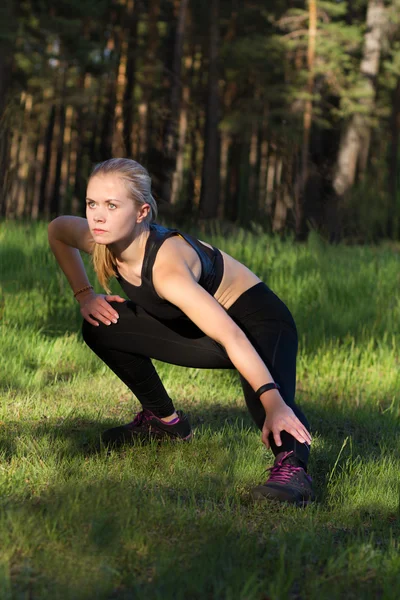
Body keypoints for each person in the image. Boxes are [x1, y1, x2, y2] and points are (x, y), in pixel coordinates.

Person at [48, 158, 314, 506]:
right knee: (101, 325)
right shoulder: (102, 238)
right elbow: (57, 230)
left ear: (142, 212)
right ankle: (165, 423)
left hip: (257, 325)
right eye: (92, 203)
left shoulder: (167, 269)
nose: (98, 215)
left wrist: (273, 400)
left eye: (112, 205)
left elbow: (233, 336)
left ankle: (293, 471)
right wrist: (85, 296)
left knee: (269, 402)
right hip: (202, 329)